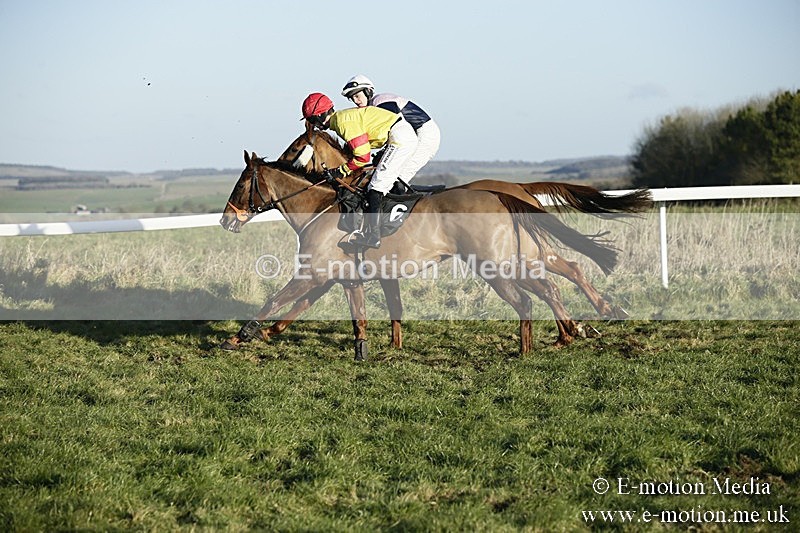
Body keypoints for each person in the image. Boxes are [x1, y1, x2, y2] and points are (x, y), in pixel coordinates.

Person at [301, 92, 418, 248]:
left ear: (320, 115)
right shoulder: (341, 119)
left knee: (376, 187)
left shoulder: (342, 123)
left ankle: (373, 237)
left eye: (311, 120)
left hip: (399, 138)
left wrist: (339, 171)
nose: (313, 125)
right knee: (383, 182)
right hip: (399, 135)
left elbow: (362, 157)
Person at [341, 75, 441, 192]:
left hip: (425, 137)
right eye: (352, 98)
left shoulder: (380, 101)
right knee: (388, 177)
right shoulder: (373, 107)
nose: (355, 101)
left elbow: (396, 127)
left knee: (398, 180)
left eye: (357, 96)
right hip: (416, 136)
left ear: (368, 92)